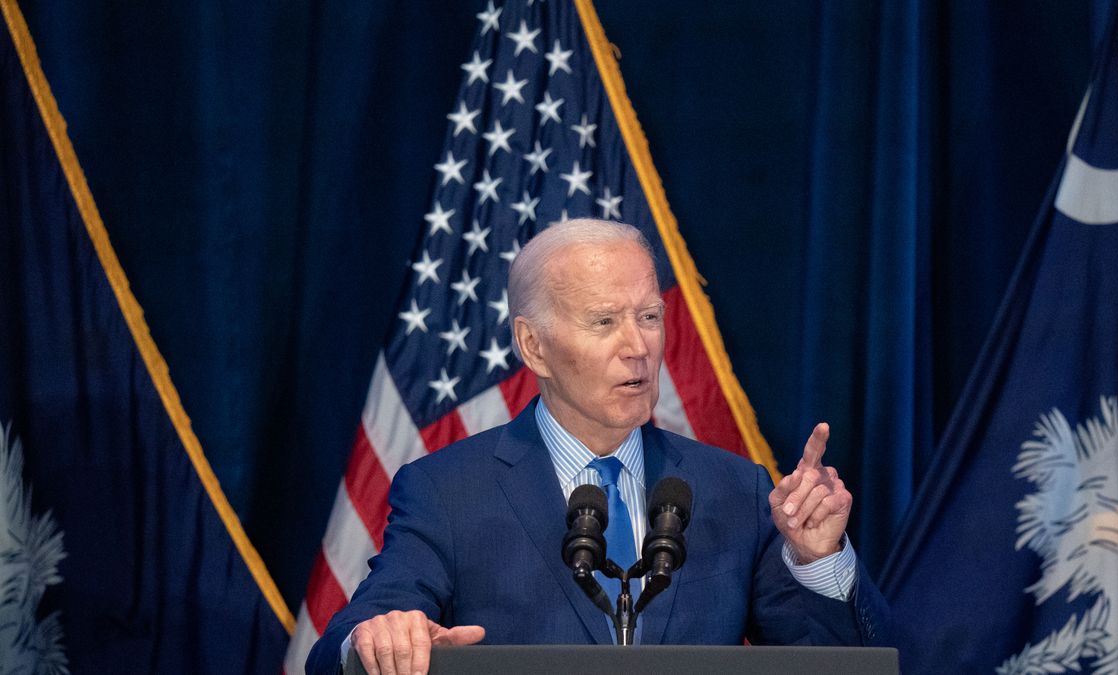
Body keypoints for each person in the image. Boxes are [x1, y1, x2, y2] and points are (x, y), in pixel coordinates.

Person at [306, 219, 890, 675]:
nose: (638, 345)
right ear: (533, 347)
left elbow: (838, 666)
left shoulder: (736, 489)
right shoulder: (449, 491)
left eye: (649, 316)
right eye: (605, 321)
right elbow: (349, 636)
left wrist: (821, 562)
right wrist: (377, 637)